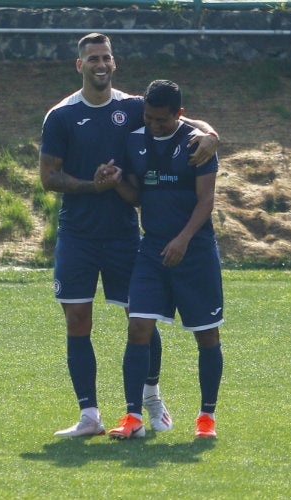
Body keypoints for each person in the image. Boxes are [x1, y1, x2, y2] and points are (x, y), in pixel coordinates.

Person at [39, 33, 219, 437]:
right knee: (77, 319)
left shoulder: (135, 107)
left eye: (106, 58)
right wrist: (92, 186)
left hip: (124, 235)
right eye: (92, 59)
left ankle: (150, 401)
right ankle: (89, 416)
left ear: (114, 63)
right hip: (78, 234)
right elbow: (49, 178)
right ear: (79, 65)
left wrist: (212, 136)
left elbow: (185, 120)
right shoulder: (61, 115)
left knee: (141, 321)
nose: (100, 65)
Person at [100, 79, 224, 440]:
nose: (154, 126)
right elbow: (137, 196)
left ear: (179, 114)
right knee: (138, 326)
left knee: (206, 336)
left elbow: (206, 200)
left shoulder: (198, 144)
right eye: (149, 119)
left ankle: (206, 418)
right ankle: (132, 416)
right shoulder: (135, 141)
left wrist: (183, 240)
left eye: (162, 121)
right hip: (152, 250)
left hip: (195, 250)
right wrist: (116, 182)